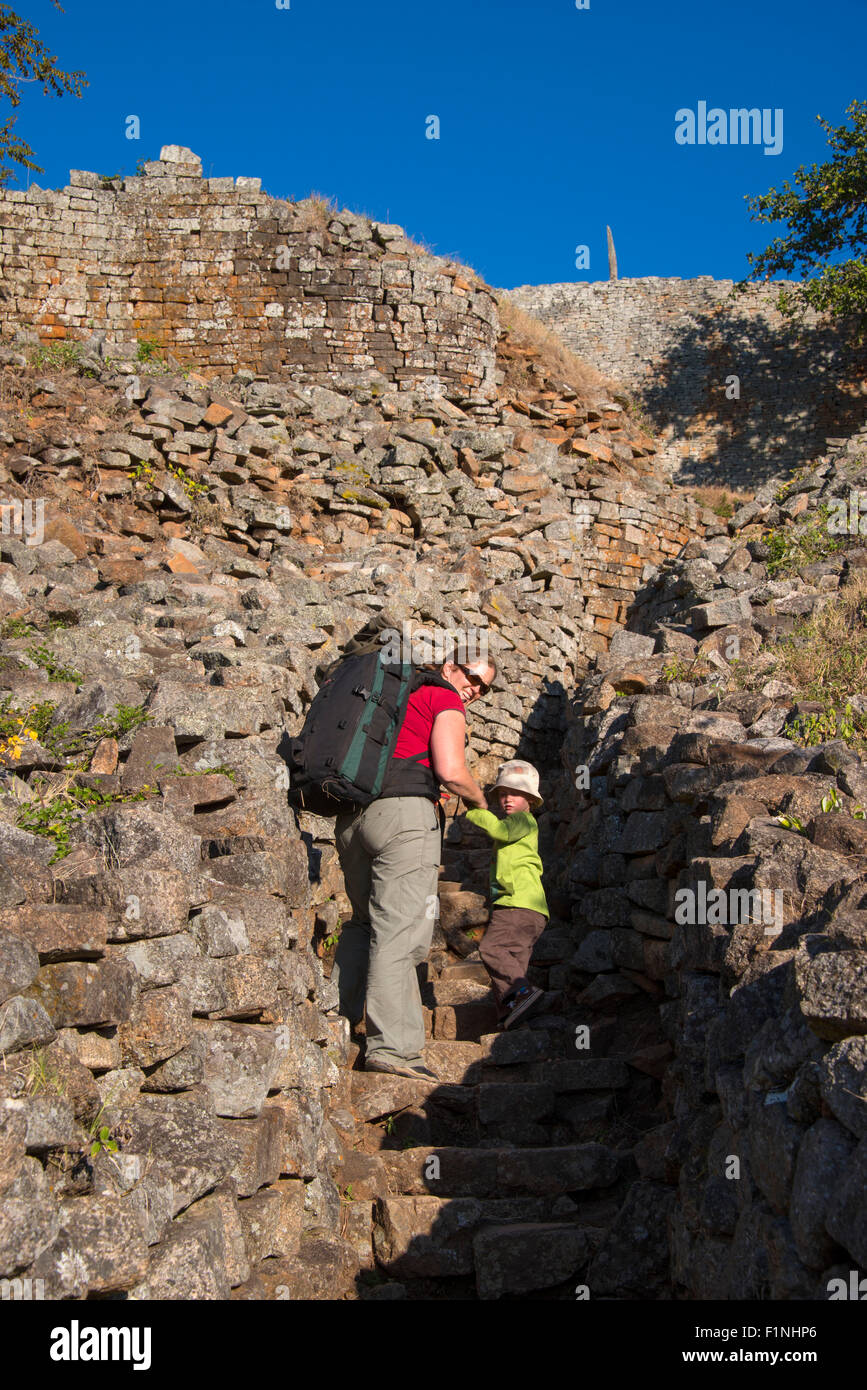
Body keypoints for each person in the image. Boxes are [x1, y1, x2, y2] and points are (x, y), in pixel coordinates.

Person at [332, 653, 496, 1080]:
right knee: (400, 932)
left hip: (353, 817)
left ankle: (334, 1022)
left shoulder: (393, 694)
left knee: (364, 923)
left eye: (485, 687)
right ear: (449, 667)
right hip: (404, 818)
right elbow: (451, 770)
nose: (476, 689)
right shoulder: (445, 699)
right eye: (472, 677)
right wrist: (483, 803)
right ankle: (395, 1049)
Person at [463, 760, 549, 1029]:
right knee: (514, 962)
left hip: (518, 905)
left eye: (515, 793)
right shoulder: (522, 822)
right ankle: (512, 1018)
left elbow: (498, 830)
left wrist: (477, 809)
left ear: (530, 801)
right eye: (502, 794)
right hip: (530, 910)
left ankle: (522, 994)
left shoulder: (522, 820)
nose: (507, 799)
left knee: (492, 949)